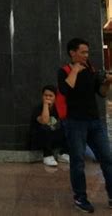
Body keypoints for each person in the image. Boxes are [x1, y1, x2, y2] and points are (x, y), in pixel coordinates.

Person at [58, 37, 112, 213]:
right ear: (72, 53)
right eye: (83, 52)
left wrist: (107, 83)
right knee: (78, 162)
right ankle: (80, 198)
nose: (86, 56)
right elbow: (66, 90)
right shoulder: (64, 71)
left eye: (87, 52)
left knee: (107, 158)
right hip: (75, 124)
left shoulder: (91, 70)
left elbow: (101, 93)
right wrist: (75, 70)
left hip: (94, 122)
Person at [31, 84, 69, 166]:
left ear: (55, 97)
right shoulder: (38, 108)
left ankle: (63, 154)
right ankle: (47, 156)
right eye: (45, 95)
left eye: (50, 96)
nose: (48, 98)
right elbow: (44, 121)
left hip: (54, 136)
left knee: (69, 127)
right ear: (42, 96)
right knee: (45, 128)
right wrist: (45, 105)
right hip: (39, 139)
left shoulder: (57, 108)